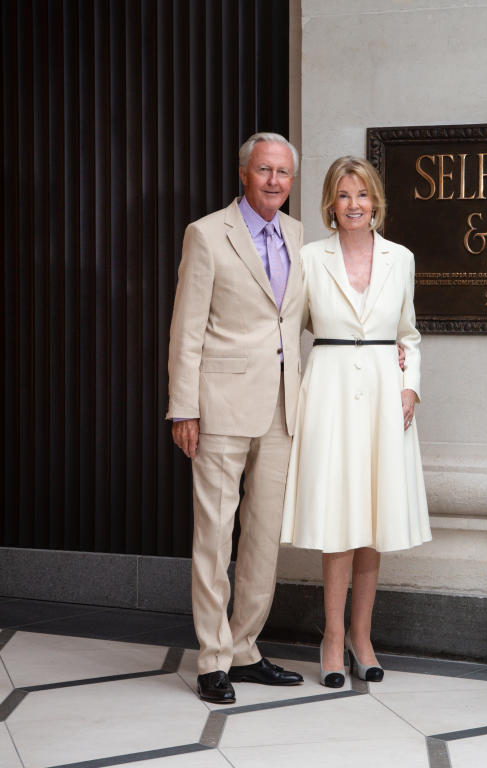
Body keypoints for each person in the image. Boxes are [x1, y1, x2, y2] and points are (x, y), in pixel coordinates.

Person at [281, 155, 430, 688]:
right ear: (330, 202)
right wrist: (294, 390)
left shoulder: (402, 258)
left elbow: (408, 333)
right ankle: (330, 638)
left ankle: (362, 637)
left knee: (374, 519)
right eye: (344, 196)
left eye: (362, 195)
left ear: (375, 203)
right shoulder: (309, 258)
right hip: (331, 395)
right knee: (339, 520)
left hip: (387, 401)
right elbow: (287, 331)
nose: (354, 205)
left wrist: (410, 385)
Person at [167, 132, 306, 704]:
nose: (274, 181)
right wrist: (184, 408)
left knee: (264, 538)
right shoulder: (206, 234)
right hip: (220, 407)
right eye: (264, 170)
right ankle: (212, 658)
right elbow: (187, 329)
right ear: (244, 174)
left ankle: (246, 649)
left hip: (281, 409)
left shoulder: (300, 236)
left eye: (283, 173)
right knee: (215, 535)